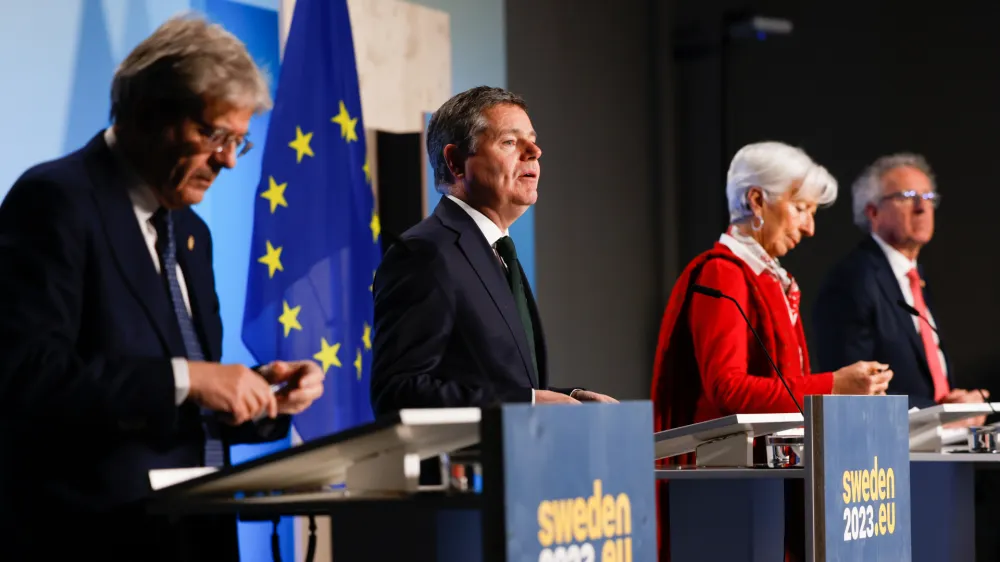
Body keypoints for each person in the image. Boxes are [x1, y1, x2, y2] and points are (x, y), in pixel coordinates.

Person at [0, 15, 324, 562]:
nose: (226, 160)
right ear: (148, 113)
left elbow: (171, 409)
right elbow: (27, 377)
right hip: (93, 539)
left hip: (195, 536)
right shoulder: (55, 201)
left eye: (237, 143)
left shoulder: (191, 232)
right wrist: (190, 379)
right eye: (214, 135)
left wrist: (258, 395)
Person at [650, 141, 892, 562]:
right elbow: (729, 390)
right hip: (729, 496)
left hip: (768, 483)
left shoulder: (769, 279)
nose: (810, 228)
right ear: (757, 200)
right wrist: (834, 385)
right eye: (801, 208)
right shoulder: (722, 274)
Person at [370, 86, 616, 414]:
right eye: (510, 142)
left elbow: (488, 379)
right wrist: (527, 402)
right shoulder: (425, 254)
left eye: (532, 139)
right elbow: (397, 391)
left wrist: (566, 398)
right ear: (457, 162)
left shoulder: (495, 251)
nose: (535, 151)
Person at [813, 153, 988, 421]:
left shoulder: (913, 277)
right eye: (907, 196)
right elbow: (853, 391)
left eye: (928, 197)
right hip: (888, 457)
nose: (922, 207)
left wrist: (966, 405)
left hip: (941, 450)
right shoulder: (852, 280)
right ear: (872, 211)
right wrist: (943, 415)